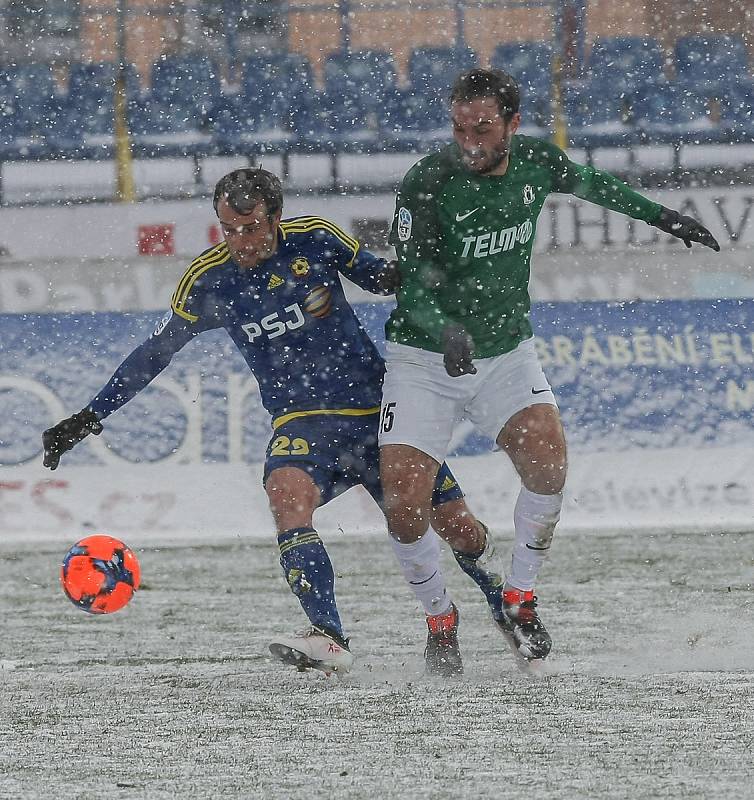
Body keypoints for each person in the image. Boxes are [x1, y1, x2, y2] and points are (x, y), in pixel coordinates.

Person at [41, 167, 505, 677]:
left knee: (460, 531)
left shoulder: (317, 240)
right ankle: (329, 635)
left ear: (275, 218)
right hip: (303, 422)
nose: (240, 241)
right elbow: (155, 353)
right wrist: (90, 415)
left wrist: (435, 292)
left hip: (379, 414)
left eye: (252, 227)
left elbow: (384, 279)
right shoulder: (209, 279)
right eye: (229, 229)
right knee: (286, 494)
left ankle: (498, 594)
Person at [379, 68, 721, 665]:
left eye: (483, 127)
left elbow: (597, 187)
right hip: (425, 359)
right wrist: (445, 330)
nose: (469, 141)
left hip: (507, 350)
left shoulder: (537, 161)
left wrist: (664, 218)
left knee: (548, 459)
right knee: (404, 505)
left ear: (512, 124)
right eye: (460, 128)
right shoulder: (427, 183)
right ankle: (440, 617)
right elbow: (412, 286)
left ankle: (519, 598)